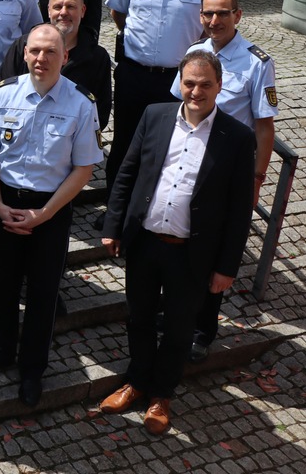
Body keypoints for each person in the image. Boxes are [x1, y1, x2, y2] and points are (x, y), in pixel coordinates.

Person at [99, 50, 255, 435]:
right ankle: (136, 381)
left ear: (220, 86)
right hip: (146, 242)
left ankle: (162, 394)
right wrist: (113, 225)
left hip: (191, 252)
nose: (196, 91)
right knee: (138, 316)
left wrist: (226, 268)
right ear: (179, 83)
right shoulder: (154, 116)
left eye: (205, 85)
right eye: (189, 83)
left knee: (180, 328)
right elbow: (127, 174)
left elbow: (239, 210)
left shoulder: (237, 137)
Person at [0, 24, 101, 406]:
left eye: (50, 52)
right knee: (2, 285)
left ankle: (32, 369)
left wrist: (43, 214)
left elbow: (83, 170)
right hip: (4, 202)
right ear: (25, 53)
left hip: (51, 209)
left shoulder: (80, 103)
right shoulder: (4, 93)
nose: (41, 59)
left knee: (43, 294)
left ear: (65, 57)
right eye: (35, 51)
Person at [170, 0, 278, 362]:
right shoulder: (192, 53)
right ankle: (172, 314)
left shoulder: (257, 62)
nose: (214, 21)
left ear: (238, 15)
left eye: (222, 13)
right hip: (187, 158)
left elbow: (265, 127)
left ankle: (203, 330)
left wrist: (256, 179)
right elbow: (176, 106)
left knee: (213, 247)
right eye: (208, 14)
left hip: (225, 167)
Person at [104, 0, 224, 191]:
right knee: (123, 142)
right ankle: (114, 210)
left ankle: (149, 208)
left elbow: (215, 24)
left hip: (175, 81)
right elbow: (118, 11)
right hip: (132, 75)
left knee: (165, 146)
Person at [0, 0, 112, 130]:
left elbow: (100, 112)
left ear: (83, 11)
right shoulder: (23, 45)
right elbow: (5, 95)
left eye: (71, 7)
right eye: (58, 7)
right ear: (48, 11)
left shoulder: (97, 57)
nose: (64, 12)